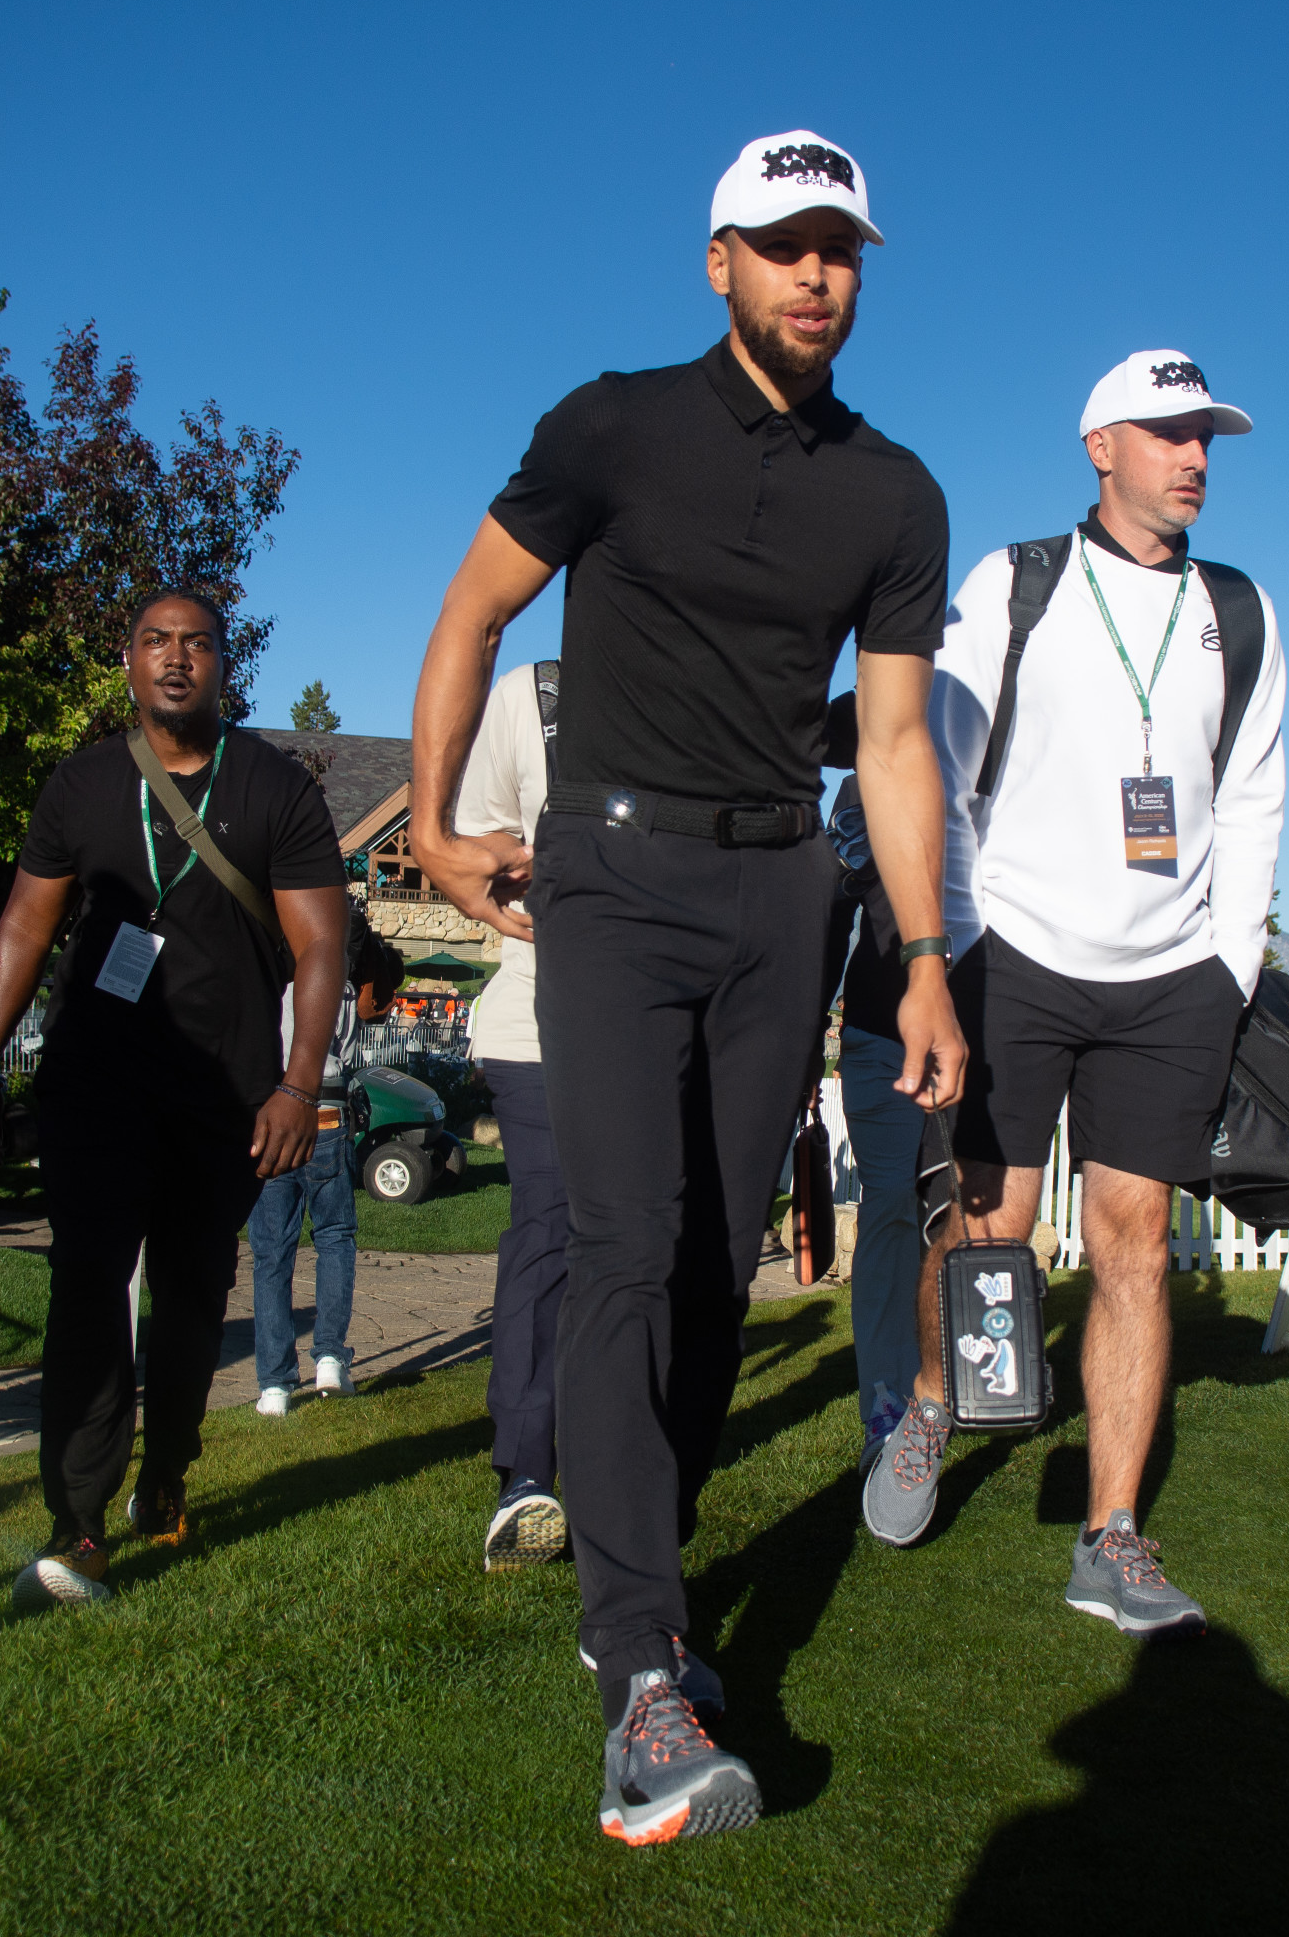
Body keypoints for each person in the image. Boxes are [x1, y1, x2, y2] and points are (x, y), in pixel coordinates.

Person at [406, 130, 963, 1846]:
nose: (818, 275)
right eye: (785, 244)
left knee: (718, 1269)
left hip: (782, 889)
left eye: (842, 249)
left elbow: (887, 743)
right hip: (613, 873)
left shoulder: (895, 493)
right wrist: (431, 827)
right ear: (717, 261)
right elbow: (472, 612)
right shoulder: (612, 425)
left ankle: (635, 1550)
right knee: (628, 1242)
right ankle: (642, 1672)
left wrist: (925, 959)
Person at [864, 350, 1286, 1642]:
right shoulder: (1019, 581)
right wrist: (959, 945)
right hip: (1020, 957)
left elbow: (1256, 793)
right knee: (992, 1232)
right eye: (1168, 433)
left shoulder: (1244, 607)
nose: (1195, 455)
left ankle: (1109, 1535)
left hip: (1172, 984)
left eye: (1206, 435)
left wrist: (1231, 967)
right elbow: (940, 758)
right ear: (1101, 444)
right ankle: (936, 1401)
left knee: (1136, 1249)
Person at [0, 591, 350, 1609]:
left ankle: (167, 1462)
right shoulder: (81, 783)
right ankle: (77, 1517)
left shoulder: (275, 787)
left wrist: (299, 1082)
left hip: (223, 1089)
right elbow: (23, 925)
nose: (176, 660)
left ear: (225, 665)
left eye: (198, 644)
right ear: (126, 661)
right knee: (87, 1287)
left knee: (188, 1294)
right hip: (95, 1084)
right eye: (155, 642)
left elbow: (320, 945)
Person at [450, 660, 575, 1570]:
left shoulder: (698, 671)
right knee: (551, 1214)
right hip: (535, 1015)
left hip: (660, 1021)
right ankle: (527, 1473)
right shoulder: (533, 696)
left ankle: (616, 1448)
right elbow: (468, 835)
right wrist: (504, 864)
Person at [818, 692, 924, 1472]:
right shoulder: (856, 798)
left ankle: (973, 1382)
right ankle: (887, 1408)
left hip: (984, 1028)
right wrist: (798, 1038)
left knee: (964, 1214)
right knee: (891, 1209)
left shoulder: (990, 780)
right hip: (883, 1034)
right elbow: (828, 916)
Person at [248, 906, 406, 1419]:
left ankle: (274, 1382)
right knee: (335, 1235)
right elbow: (371, 1010)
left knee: (273, 1249)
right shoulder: (342, 981)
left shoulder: (278, 970)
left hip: (276, 1103)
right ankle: (332, 1358)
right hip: (331, 1106)